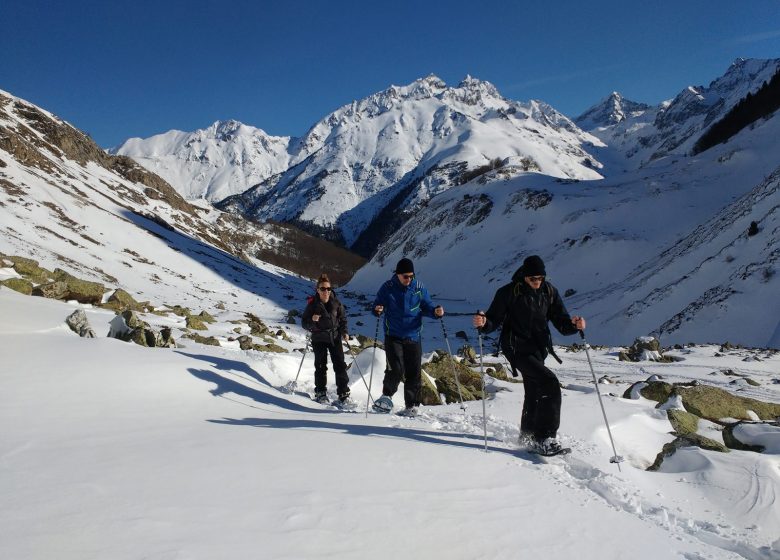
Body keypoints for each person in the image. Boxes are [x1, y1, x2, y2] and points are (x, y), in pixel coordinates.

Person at [472, 255, 585, 456]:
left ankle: (527, 437)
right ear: (524, 276)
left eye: (540, 278)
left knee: (534, 392)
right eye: (533, 278)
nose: (537, 282)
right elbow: (493, 320)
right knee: (549, 382)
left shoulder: (548, 292)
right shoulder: (508, 292)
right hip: (516, 349)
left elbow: (562, 322)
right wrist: (483, 323)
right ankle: (545, 438)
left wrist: (574, 326)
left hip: (538, 349)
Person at [372, 257, 444, 416]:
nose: (409, 279)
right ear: (398, 274)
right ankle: (386, 396)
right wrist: (377, 309)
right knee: (396, 368)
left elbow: (427, 307)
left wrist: (435, 312)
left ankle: (411, 405)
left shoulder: (419, 288)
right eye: (406, 276)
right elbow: (377, 304)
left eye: (411, 276)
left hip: (413, 335)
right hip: (393, 335)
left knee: (414, 371)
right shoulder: (388, 287)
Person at [301, 274, 353, 407]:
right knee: (320, 366)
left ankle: (343, 394)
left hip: (334, 337)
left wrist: (345, 332)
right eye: (323, 289)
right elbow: (304, 323)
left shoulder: (336, 303)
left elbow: (342, 319)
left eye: (329, 289)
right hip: (319, 338)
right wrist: (312, 321)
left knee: (340, 365)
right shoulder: (312, 305)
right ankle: (320, 392)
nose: (326, 292)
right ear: (317, 289)